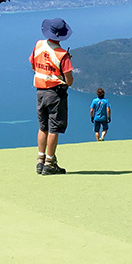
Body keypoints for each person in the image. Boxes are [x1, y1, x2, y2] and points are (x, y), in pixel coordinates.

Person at [31, 18, 73, 175]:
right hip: (56, 94)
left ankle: (40, 161)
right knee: (54, 128)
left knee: (43, 127)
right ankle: (50, 163)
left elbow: (32, 64)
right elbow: (70, 81)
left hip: (40, 92)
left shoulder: (38, 45)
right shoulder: (63, 55)